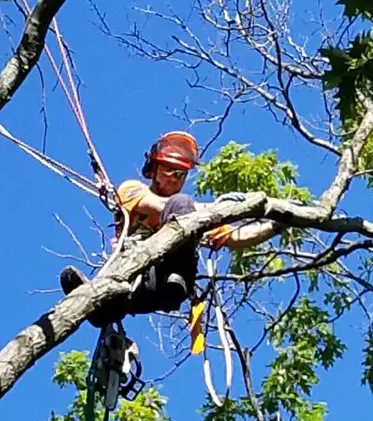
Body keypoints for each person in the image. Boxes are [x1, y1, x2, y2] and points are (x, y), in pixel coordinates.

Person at [59, 131, 276, 326]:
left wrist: (275, 225)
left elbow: (238, 237)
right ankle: (101, 306)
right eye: (168, 170)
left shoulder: (189, 214)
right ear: (154, 169)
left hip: (172, 282)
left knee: (182, 206)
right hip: (136, 277)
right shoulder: (132, 190)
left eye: (180, 174)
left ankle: (175, 278)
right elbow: (158, 206)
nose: (174, 178)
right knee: (180, 203)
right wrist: (217, 208)